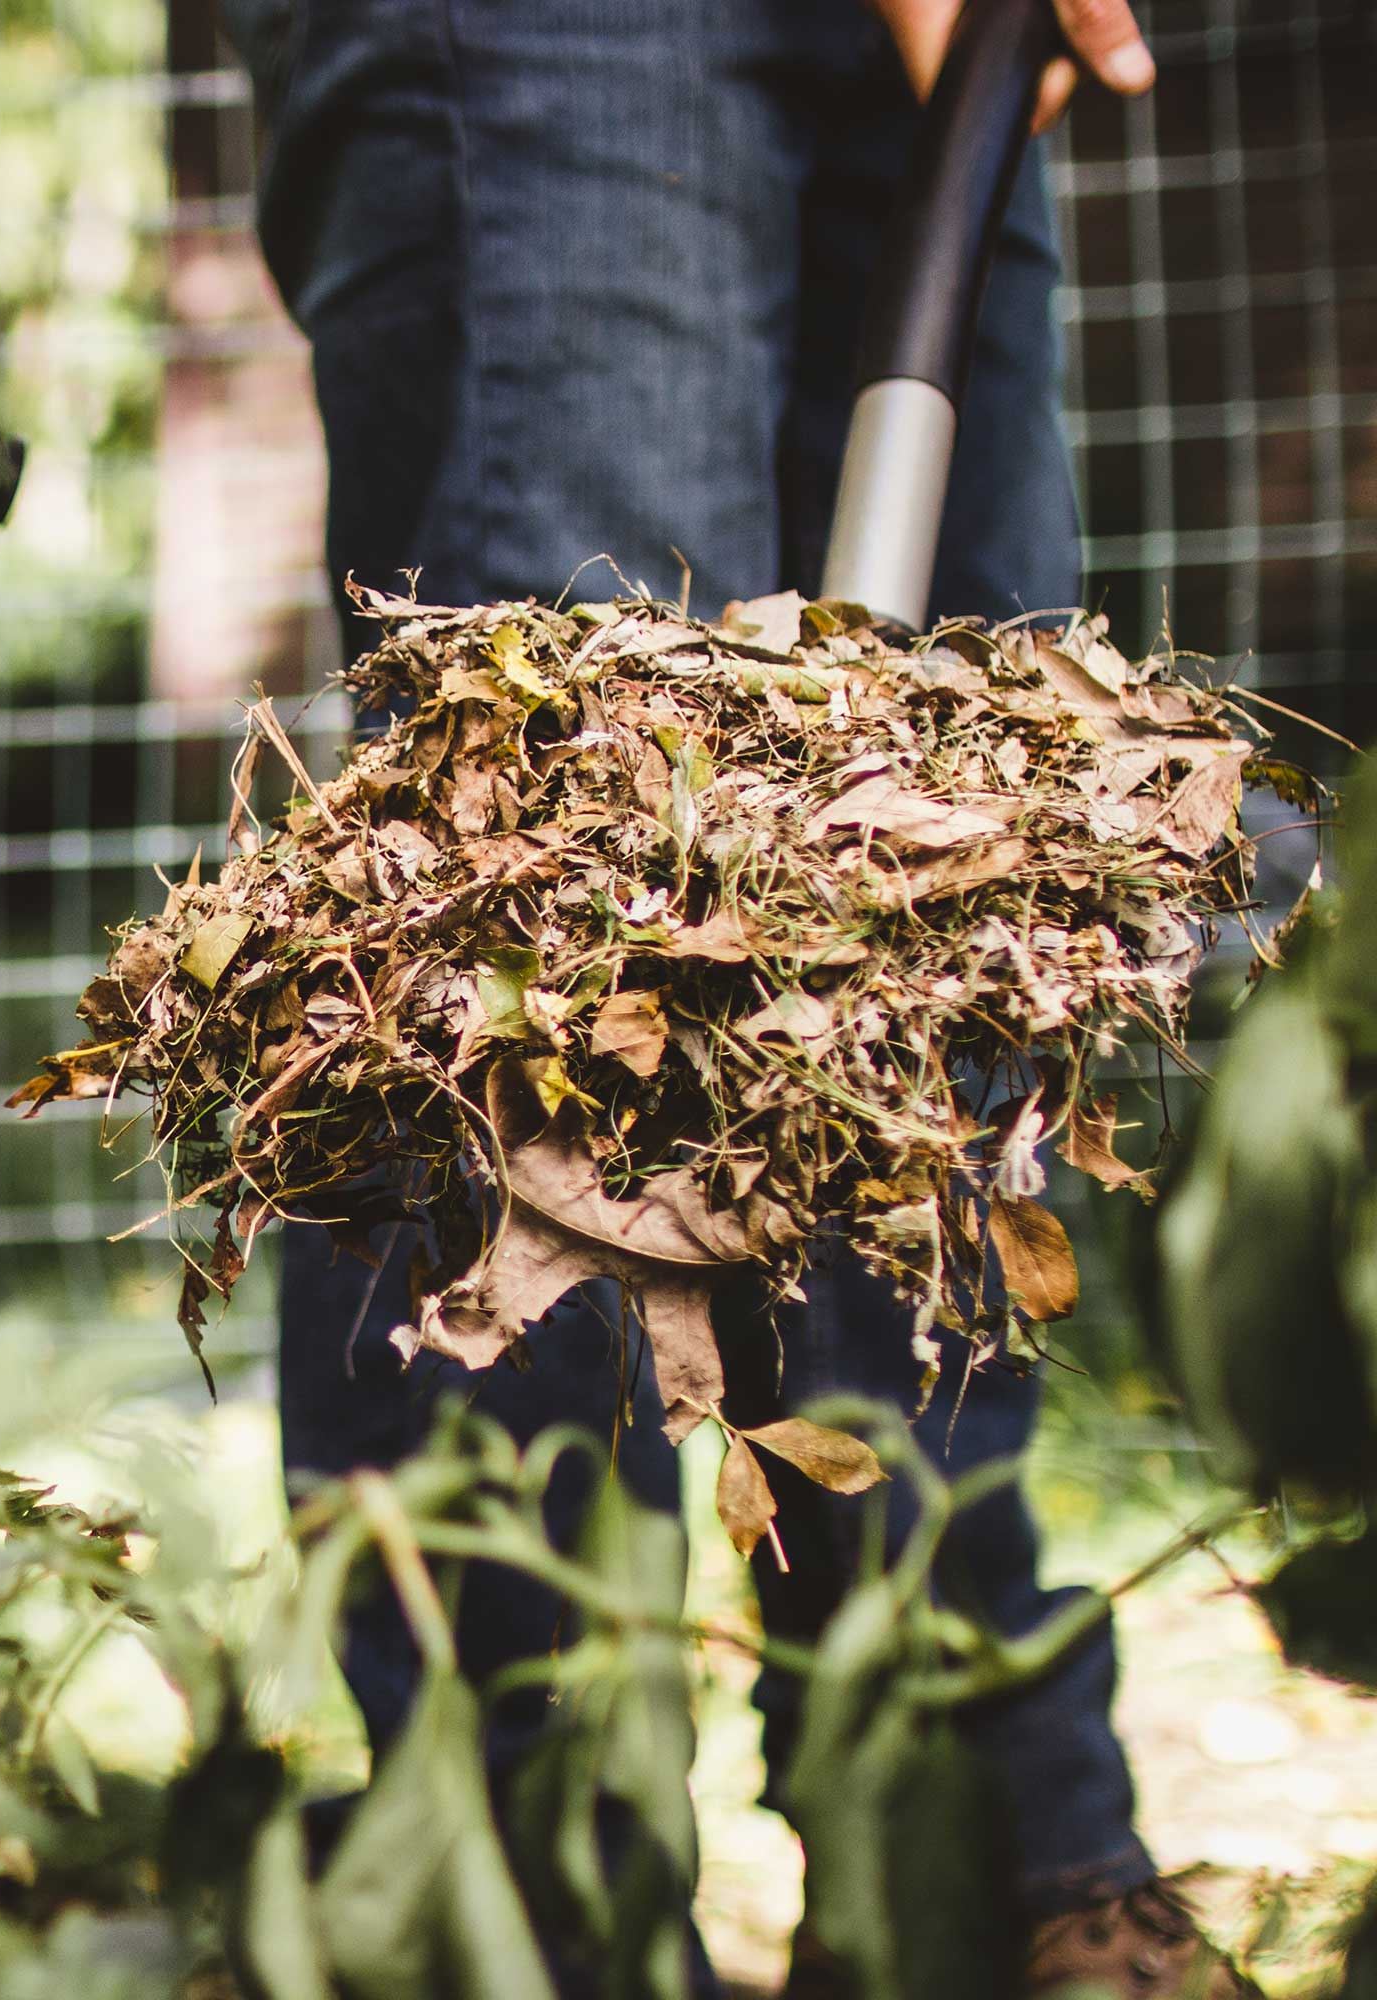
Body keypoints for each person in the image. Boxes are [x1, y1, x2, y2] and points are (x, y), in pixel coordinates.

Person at [220, 1, 1257, 1993]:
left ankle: (974, 1844)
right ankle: (518, 1902)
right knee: (542, 916)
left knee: (956, 874)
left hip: (927, 44)